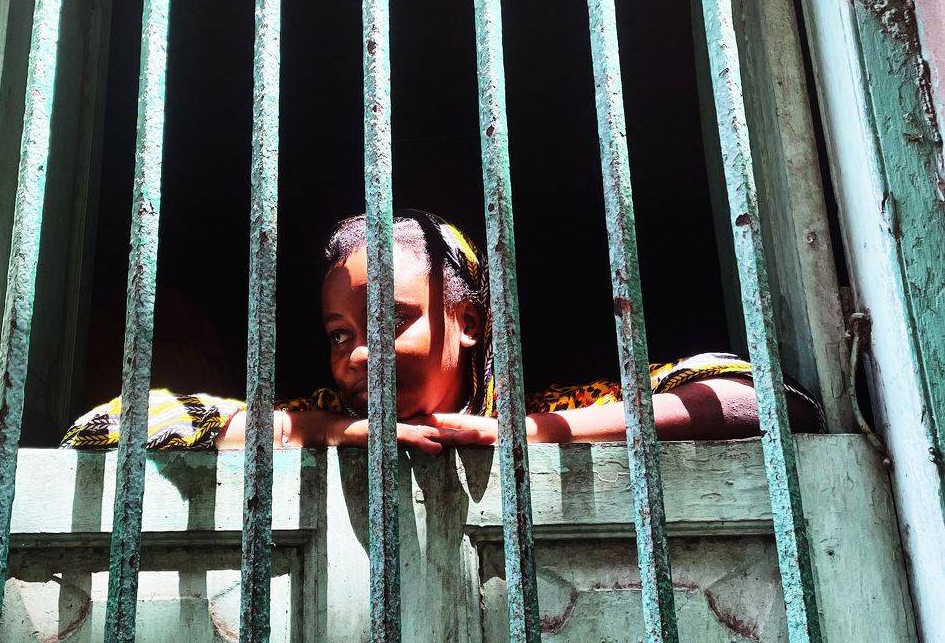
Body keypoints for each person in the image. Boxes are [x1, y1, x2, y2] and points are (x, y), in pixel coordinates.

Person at [61, 209, 823, 454]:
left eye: (388, 322)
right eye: (337, 334)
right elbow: (98, 429)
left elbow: (776, 402)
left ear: (468, 322)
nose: (357, 354)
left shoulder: (546, 411)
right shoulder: (316, 419)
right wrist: (314, 433)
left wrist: (528, 435)